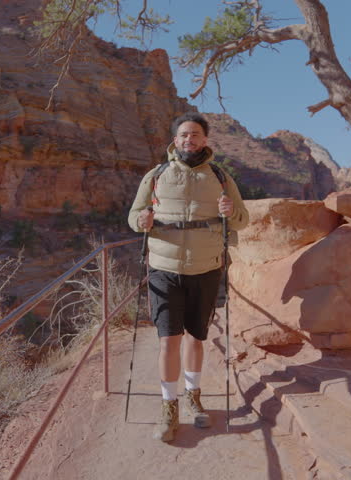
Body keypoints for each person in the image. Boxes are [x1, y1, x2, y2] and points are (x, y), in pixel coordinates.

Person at [128, 112, 249, 443]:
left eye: (195, 135)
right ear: (175, 139)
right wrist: (142, 219)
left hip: (206, 268)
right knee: (169, 339)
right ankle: (169, 406)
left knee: (196, 338)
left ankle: (193, 395)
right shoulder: (157, 175)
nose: (189, 140)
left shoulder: (221, 177)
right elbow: (132, 216)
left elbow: (242, 219)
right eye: (183, 135)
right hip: (164, 269)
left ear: (205, 140)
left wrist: (229, 212)